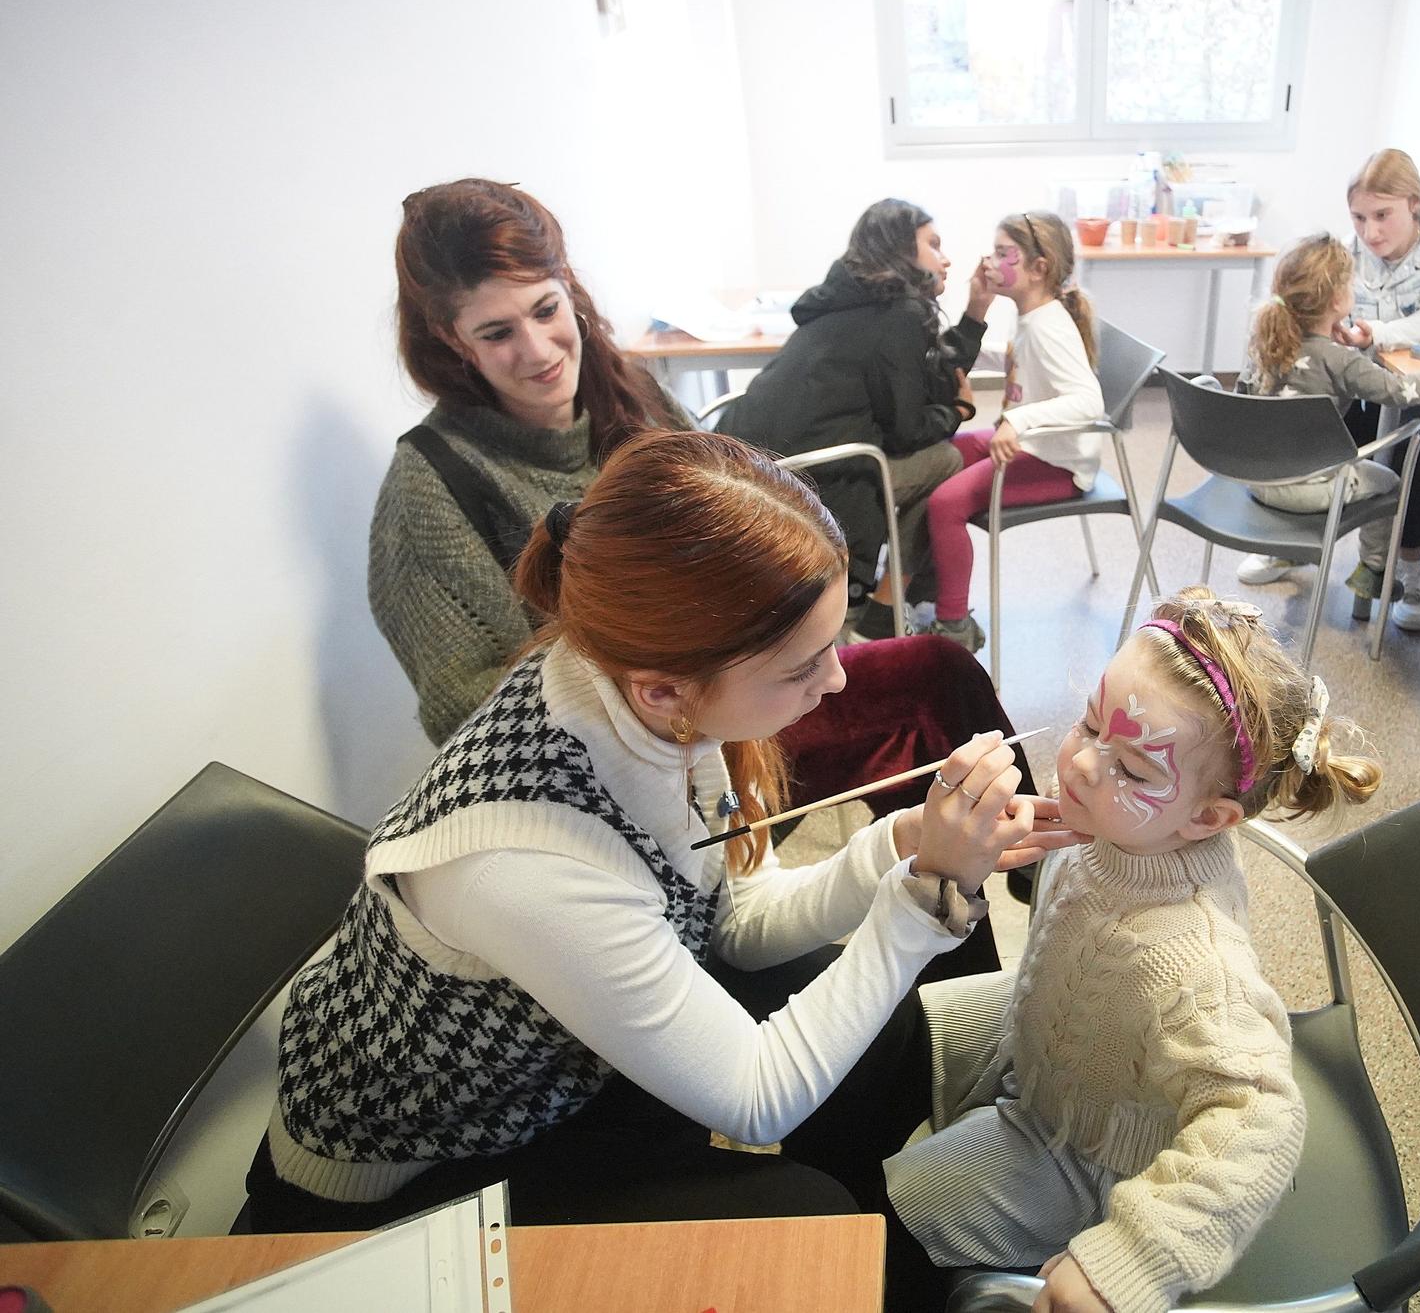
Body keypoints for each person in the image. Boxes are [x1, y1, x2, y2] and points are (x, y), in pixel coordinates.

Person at [241, 430, 1086, 1254]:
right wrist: (925, 891)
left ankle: (874, 1243)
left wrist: (897, 845)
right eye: (803, 667)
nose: (835, 680)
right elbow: (757, 1096)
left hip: (554, 1069)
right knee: (800, 1215)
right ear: (664, 690)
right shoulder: (525, 860)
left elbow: (730, 923)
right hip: (413, 1180)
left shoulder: (643, 696)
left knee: (880, 1031)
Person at [369, 178, 1034, 874]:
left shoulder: (630, 393)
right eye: (498, 333)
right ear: (451, 340)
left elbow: (730, 525)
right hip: (638, 765)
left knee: (939, 673)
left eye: (545, 309)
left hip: (735, 701)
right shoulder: (429, 490)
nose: (537, 350)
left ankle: (1006, 878)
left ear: (568, 288)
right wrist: (683, 693)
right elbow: (470, 717)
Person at [884, 588, 1385, 1313]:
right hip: (1053, 1042)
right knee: (886, 1044)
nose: (1084, 766)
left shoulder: (1192, 962)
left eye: (1134, 770)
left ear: (1210, 818)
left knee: (887, 1217)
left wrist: (1133, 1256)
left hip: (1080, 1153)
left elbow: (1264, 1115)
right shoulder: (1120, 830)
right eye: (1090, 723)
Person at [719, 198, 997, 641]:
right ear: (901, 251)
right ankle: (883, 616)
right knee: (944, 462)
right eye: (934, 245)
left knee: (935, 459)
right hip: (804, 476)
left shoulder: (855, 300)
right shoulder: (898, 315)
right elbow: (905, 430)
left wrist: (975, 312)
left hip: (748, 464)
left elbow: (925, 378)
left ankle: (909, 600)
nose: (945, 259)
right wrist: (959, 411)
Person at [1240, 150, 1420, 633]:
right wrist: (1350, 337)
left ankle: (1404, 569)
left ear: (1415, 204)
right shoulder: (1345, 255)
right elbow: (1372, 368)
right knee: (1332, 424)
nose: (1369, 233)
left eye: (1382, 216)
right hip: (1366, 370)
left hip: (1401, 363)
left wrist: (1374, 333)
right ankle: (1299, 544)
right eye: (1359, 217)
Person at [922, 211, 1105, 652]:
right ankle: (922, 583)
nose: (991, 262)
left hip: (1055, 462)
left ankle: (952, 625)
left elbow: (1089, 401)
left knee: (945, 503)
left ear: (1039, 268)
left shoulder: (1048, 326)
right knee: (940, 453)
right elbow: (1016, 362)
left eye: (1005, 254)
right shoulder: (1032, 315)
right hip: (1033, 443)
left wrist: (1017, 421)